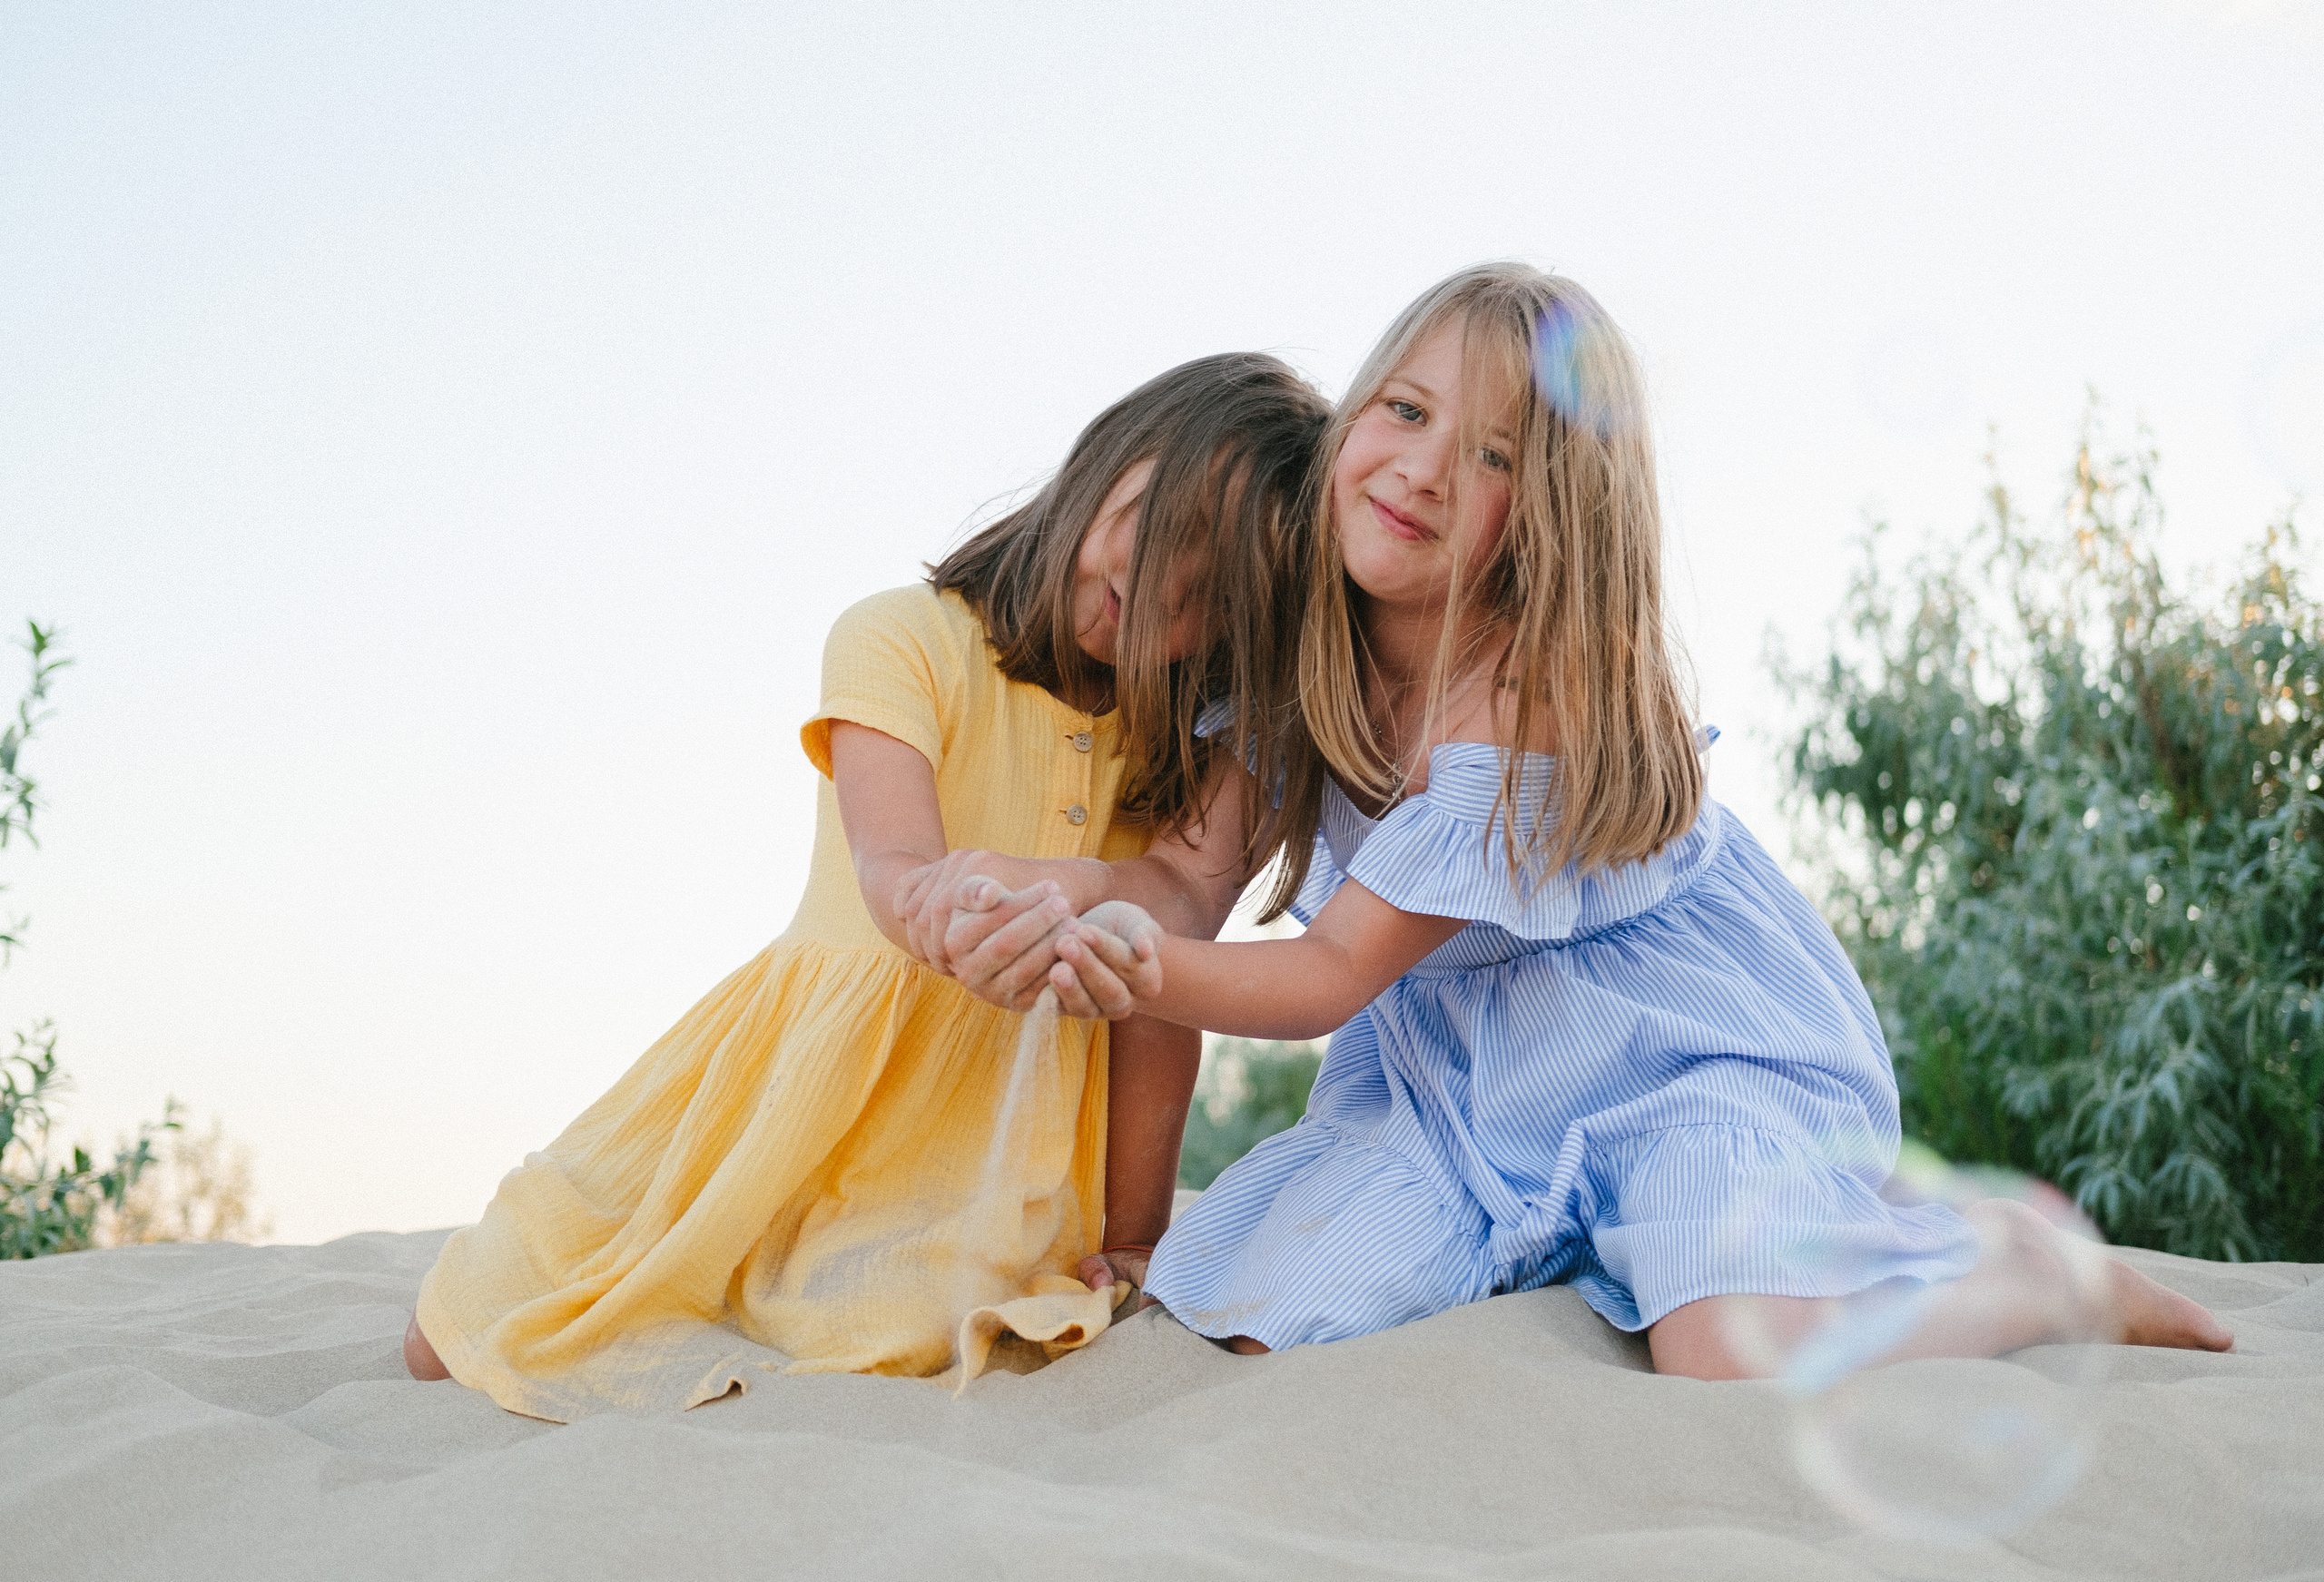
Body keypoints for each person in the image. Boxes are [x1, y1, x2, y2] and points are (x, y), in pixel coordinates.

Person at [949, 261, 2234, 1379]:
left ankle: (2034, 1279)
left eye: (1495, 457)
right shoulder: (1298, 652)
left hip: (1682, 1056)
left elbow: (1331, 970)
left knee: (1722, 1347)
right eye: (1406, 410)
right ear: (1352, 415)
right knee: (1257, 1320)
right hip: (1451, 1075)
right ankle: (1564, 1241)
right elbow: (1183, 883)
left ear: (1554, 513)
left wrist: (1139, 968)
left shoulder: (1525, 700)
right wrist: (1049, 890)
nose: (1423, 471)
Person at [404, 351, 1328, 1418]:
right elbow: (892, 864)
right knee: (457, 1335)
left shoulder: (1193, 745)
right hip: (788, 1096)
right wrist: (947, 913)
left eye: (1215, 597)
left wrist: (1134, 1234)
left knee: (875, 1338)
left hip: (981, 1144)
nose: (1166, 589)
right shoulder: (902, 635)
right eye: (1170, 527)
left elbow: (1162, 987)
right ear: (1111, 459)